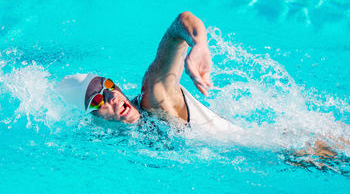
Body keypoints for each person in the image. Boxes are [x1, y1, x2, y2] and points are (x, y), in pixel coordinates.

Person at [57, 11, 243, 134]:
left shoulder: (154, 97)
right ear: (92, 119)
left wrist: (200, 43)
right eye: (97, 100)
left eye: (108, 85)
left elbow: (180, 24)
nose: (112, 95)